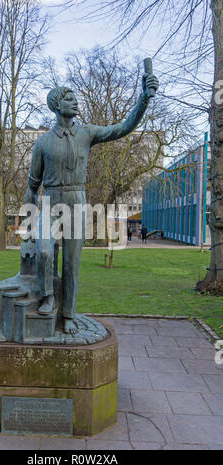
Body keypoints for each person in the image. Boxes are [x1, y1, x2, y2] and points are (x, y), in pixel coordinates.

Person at [26, 73, 159, 334]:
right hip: (50, 199)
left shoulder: (86, 133)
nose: (76, 103)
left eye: (76, 99)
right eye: (70, 99)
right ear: (57, 105)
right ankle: (49, 297)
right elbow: (32, 186)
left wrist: (143, 99)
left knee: (72, 262)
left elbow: (122, 128)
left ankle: (68, 314)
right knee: (43, 250)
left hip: (76, 199)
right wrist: (31, 224)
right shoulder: (42, 143)